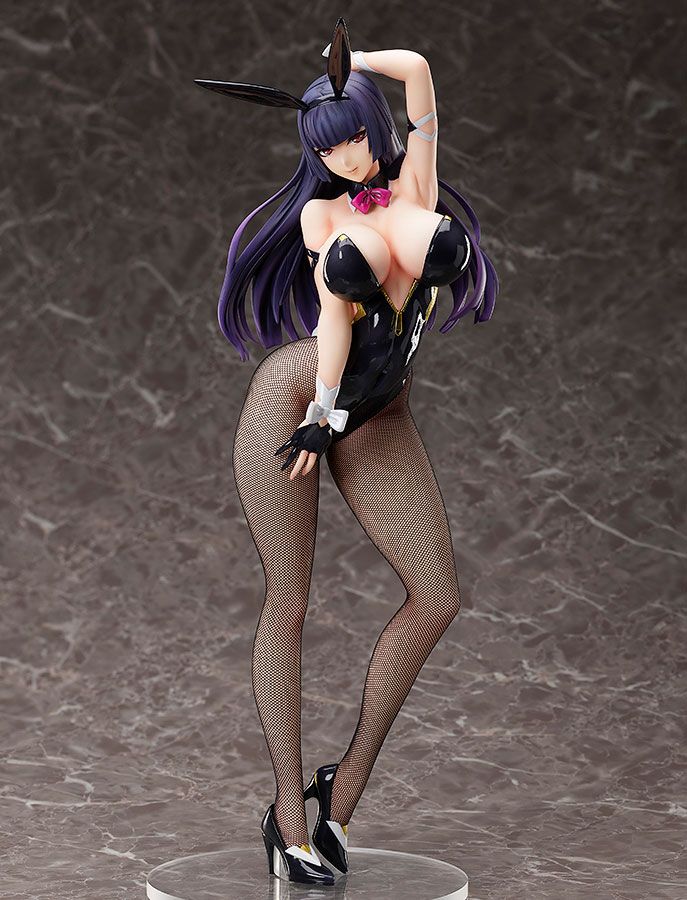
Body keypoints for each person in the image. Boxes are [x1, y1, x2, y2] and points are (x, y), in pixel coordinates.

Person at [195, 18, 498, 886]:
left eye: (355, 135)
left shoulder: (417, 179)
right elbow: (334, 321)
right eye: (327, 147)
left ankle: (343, 788)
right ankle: (288, 822)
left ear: (377, 125)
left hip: (380, 409)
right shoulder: (322, 214)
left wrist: (350, 65)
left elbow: (422, 72)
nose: (346, 156)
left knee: (436, 597)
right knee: (289, 600)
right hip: (296, 400)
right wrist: (320, 413)